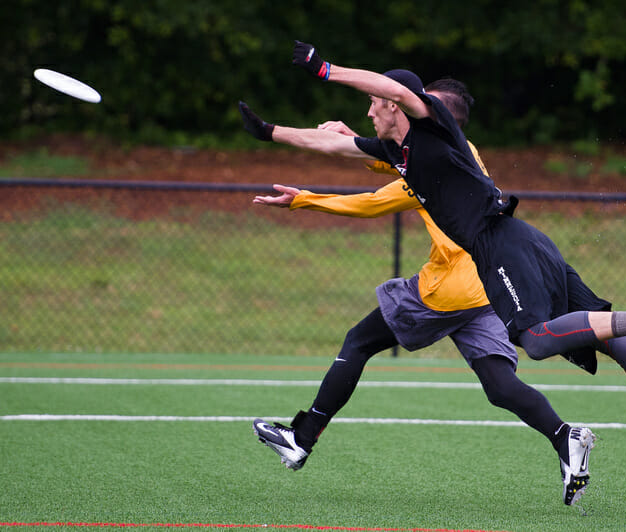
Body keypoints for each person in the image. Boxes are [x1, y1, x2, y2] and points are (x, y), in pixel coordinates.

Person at [239, 41, 626, 488]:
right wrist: (268, 133)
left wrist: (325, 69)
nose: (369, 111)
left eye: (374, 103)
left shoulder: (435, 124)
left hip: (497, 247)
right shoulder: (399, 152)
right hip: (522, 243)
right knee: (599, 329)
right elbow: (331, 146)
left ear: (396, 105)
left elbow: (399, 94)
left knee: (538, 342)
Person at [252, 79, 594, 507]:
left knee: (360, 341)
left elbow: (371, 203)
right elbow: (390, 160)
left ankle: (301, 439)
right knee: (500, 384)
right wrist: (346, 138)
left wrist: (303, 199)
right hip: (486, 284)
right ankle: (567, 438)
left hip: (448, 286)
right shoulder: (462, 150)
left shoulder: (432, 166)